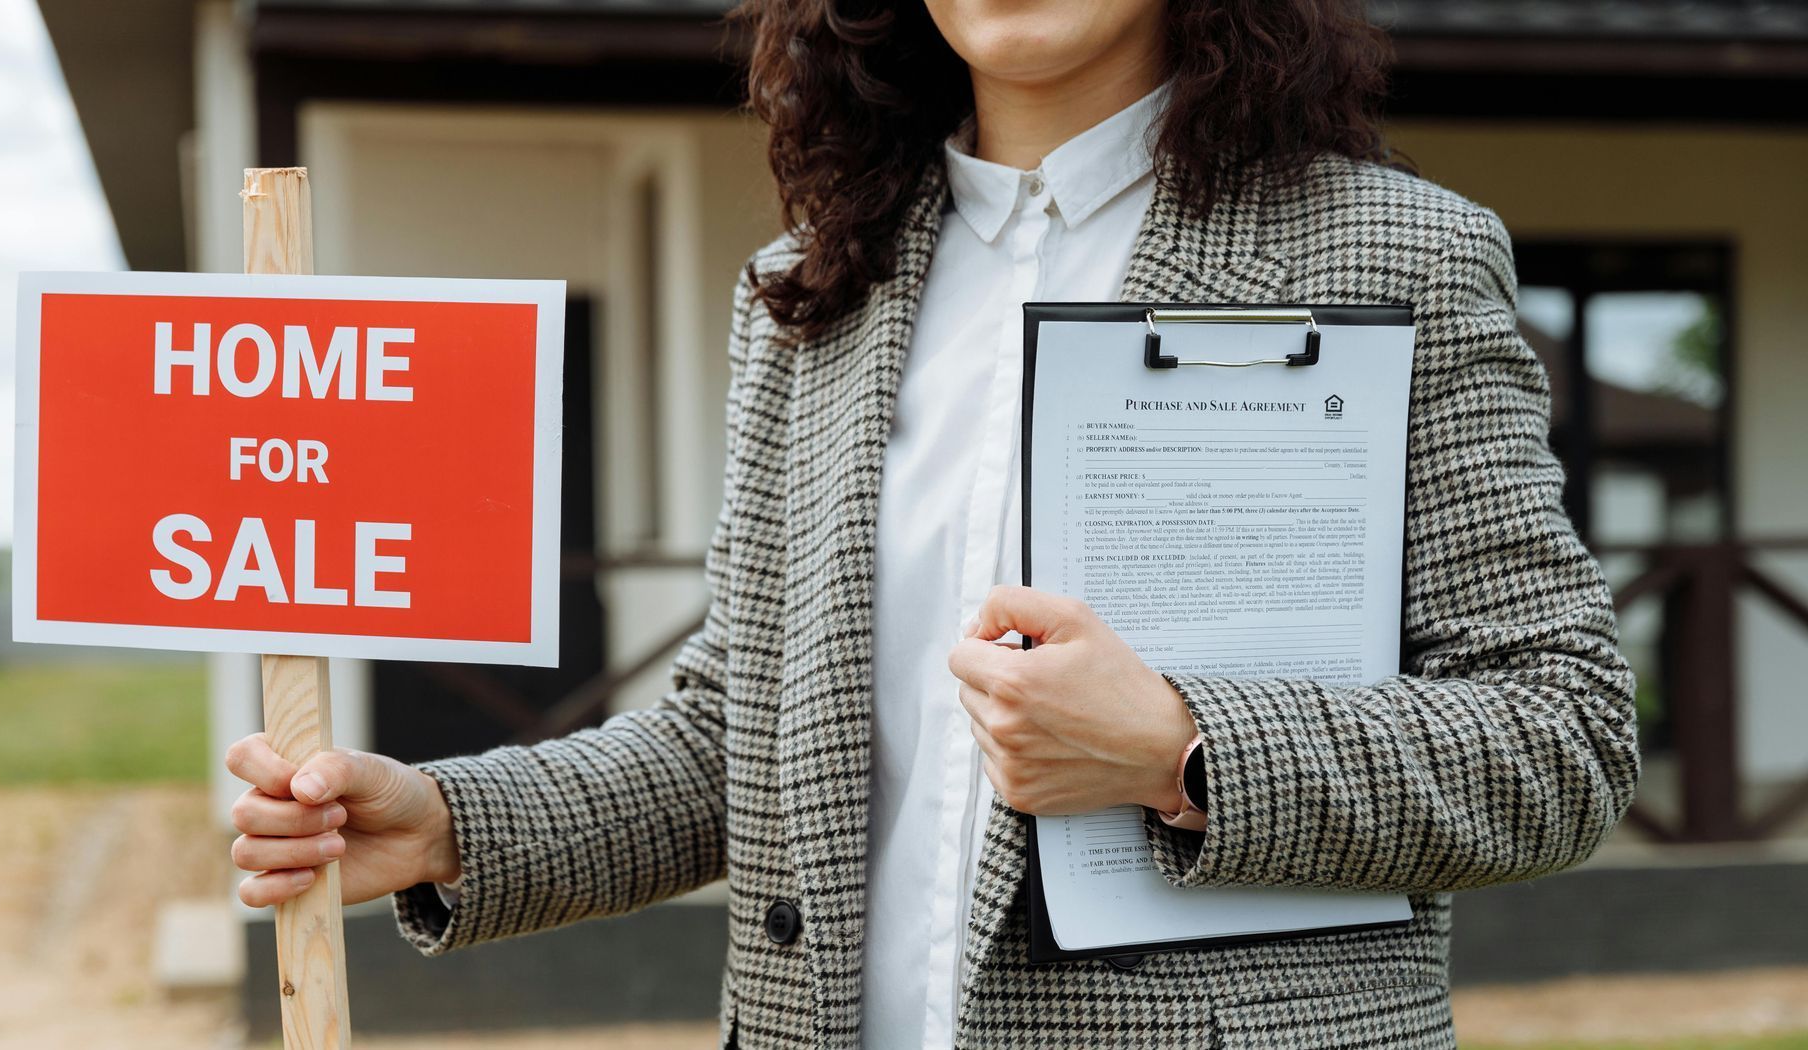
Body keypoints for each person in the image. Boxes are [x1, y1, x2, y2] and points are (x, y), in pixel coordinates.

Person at [225, 0, 1640, 1046]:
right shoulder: (806, 294)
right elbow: (745, 734)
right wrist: (449, 820)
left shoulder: (1392, 255)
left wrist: (1182, 747)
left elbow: (1560, 733)